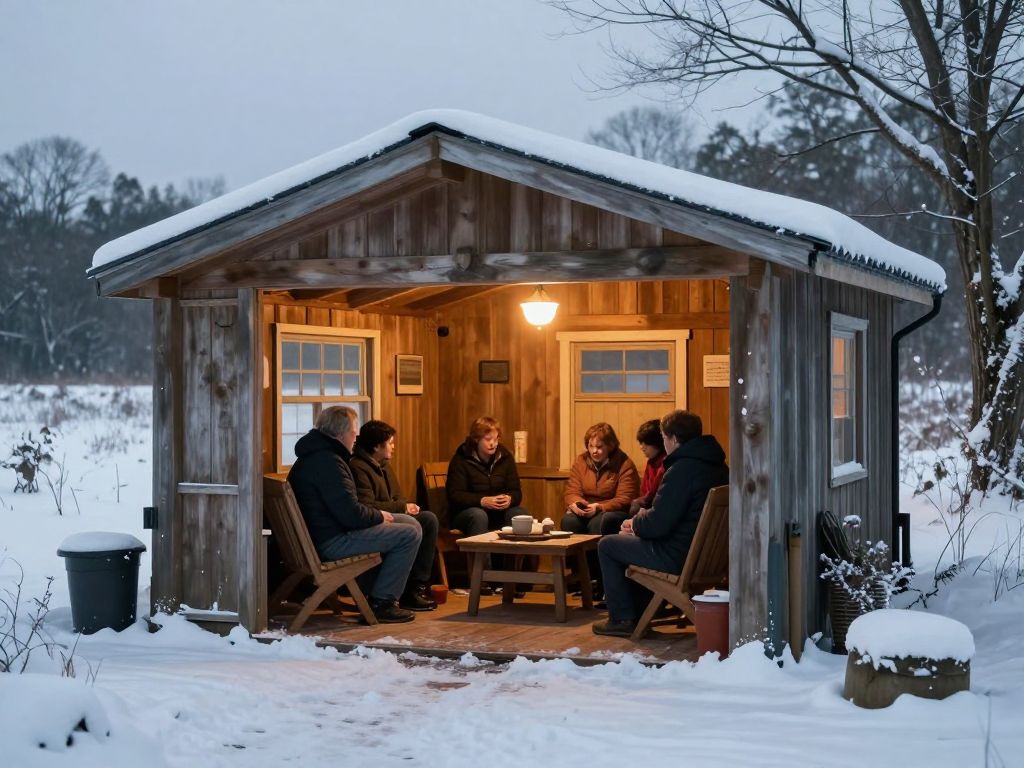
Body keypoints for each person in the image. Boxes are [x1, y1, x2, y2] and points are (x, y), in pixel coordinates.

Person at [593, 410, 729, 638]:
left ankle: (622, 618)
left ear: (674, 439)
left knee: (608, 546)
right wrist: (639, 524)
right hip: (706, 558)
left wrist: (635, 523)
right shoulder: (719, 467)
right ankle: (637, 613)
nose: (664, 443)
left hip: (678, 556)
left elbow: (658, 524)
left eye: (664, 438)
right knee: (627, 540)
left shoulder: (682, 469)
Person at [287, 406, 420, 624]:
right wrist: (378, 516)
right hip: (332, 541)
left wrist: (379, 514)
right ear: (340, 434)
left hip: (320, 535)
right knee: (409, 535)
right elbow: (351, 515)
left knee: (409, 522)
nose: (355, 438)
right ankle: (382, 602)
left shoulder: (316, 456)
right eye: (353, 433)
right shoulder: (328, 462)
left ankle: (379, 593)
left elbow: (347, 510)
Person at [349, 419, 439, 612]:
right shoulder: (358, 467)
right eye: (389, 442)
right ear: (376, 446)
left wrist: (406, 505)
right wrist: (402, 507)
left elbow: (398, 495)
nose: (393, 446)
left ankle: (416, 586)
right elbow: (367, 505)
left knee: (428, 520)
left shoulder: (384, 465)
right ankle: (387, 596)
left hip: (393, 515)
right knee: (413, 526)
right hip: (373, 521)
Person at [446, 416, 528, 595]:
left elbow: (516, 491)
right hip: (466, 513)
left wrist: (509, 499)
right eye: (488, 439)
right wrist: (482, 501)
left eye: (496, 439)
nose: (493, 444)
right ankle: (482, 579)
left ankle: (511, 579)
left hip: (498, 511)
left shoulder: (504, 457)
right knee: (478, 515)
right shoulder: (462, 459)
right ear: (476, 439)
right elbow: (455, 495)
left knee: (519, 513)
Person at [561, 422, 640, 537]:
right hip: (586, 509)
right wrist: (577, 504)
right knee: (569, 521)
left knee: (598, 523)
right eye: (590, 446)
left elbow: (625, 498)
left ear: (610, 446)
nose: (594, 451)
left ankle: (595, 555)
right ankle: (575, 555)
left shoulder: (624, 463)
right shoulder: (581, 461)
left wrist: (599, 507)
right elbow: (571, 491)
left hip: (611, 511)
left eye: (599, 447)